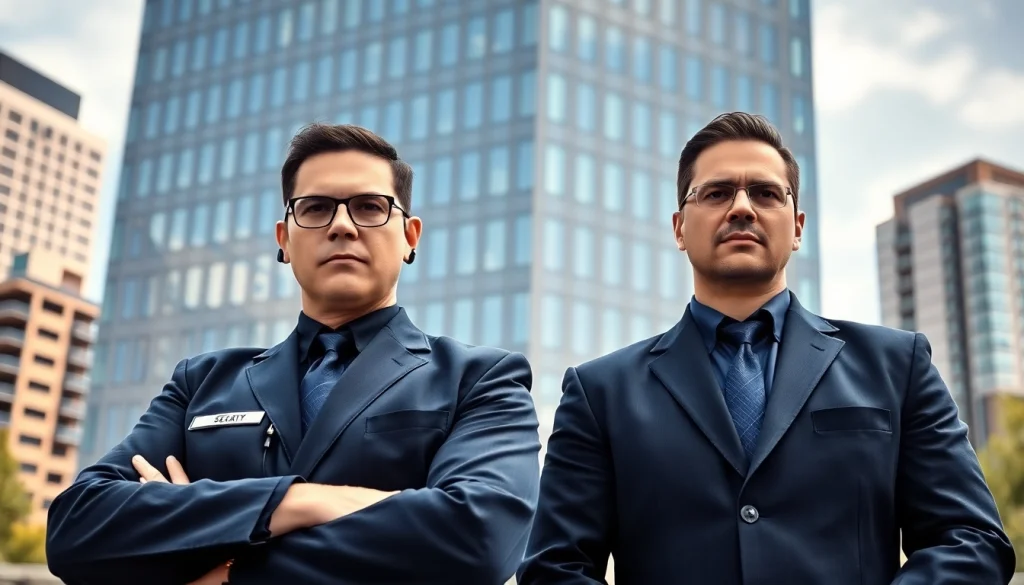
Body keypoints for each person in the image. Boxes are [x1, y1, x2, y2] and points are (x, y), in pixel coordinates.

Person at [517, 112, 1015, 584]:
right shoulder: (600, 392)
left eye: (764, 192)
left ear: (796, 227)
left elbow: (970, 539)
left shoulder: (896, 365)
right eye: (715, 193)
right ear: (678, 229)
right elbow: (554, 567)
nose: (741, 206)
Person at [46, 123, 542, 585]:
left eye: (370, 207)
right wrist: (306, 501)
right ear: (284, 239)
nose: (343, 226)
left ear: (410, 236)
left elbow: (478, 539)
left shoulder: (479, 379)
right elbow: (78, 526)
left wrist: (224, 563)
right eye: (315, 207)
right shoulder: (201, 382)